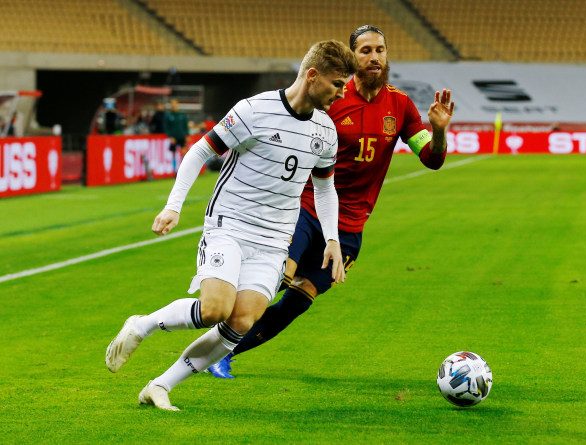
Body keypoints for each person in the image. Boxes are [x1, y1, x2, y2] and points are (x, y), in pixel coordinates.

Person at [105, 39, 359, 411]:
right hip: (231, 224)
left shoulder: (326, 131)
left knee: (242, 320)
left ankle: (160, 385)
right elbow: (200, 151)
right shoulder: (255, 110)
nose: (342, 92)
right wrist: (173, 206)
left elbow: (324, 189)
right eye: (338, 83)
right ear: (313, 75)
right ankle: (142, 325)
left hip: (274, 240)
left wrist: (332, 239)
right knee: (214, 309)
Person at [208, 25, 455, 379]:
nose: (374, 57)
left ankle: (225, 353)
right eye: (366, 50)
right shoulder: (333, 100)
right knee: (277, 278)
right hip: (307, 208)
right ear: (353, 57)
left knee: (298, 300)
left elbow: (431, 158)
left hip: (352, 224)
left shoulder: (399, 105)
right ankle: (211, 339)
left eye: (380, 50)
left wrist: (440, 130)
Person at [163, 99, 189, 172]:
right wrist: (170, 136)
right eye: (172, 104)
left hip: (181, 137)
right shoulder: (168, 115)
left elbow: (185, 126)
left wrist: (187, 135)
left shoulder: (182, 115)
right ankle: (174, 170)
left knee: (184, 152)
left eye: (175, 104)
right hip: (173, 138)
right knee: (173, 153)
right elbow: (166, 127)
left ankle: (182, 169)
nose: (174, 106)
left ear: (177, 104)